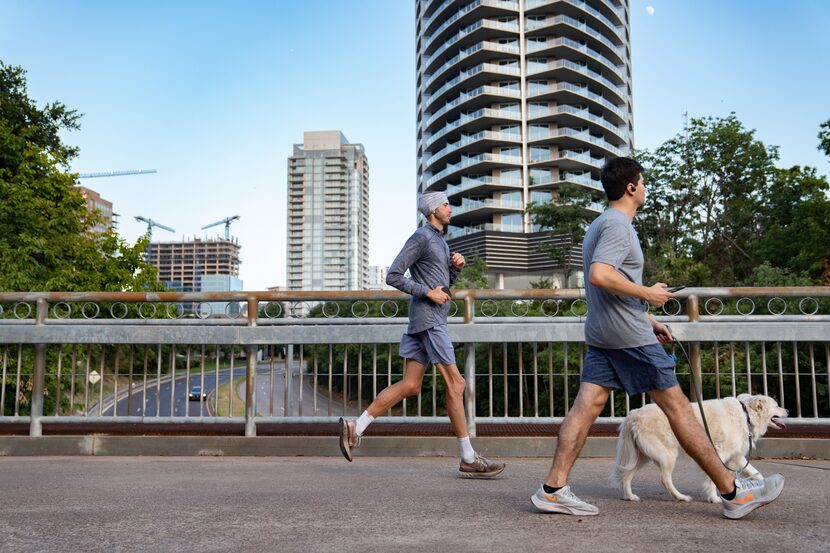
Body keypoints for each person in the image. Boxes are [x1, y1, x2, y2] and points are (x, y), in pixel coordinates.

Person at [530, 157, 784, 519]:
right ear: (632, 187)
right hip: (628, 338)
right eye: (643, 183)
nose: (645, 188)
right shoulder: (619, 225)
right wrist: (648, 294)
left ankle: (552, 490)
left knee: (585, 409)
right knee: (680, 410)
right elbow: (602, 276)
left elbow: (607, 288)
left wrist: (646, 316)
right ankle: (733, 493)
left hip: (605, 333)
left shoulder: (599, 224)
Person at [338, 191, 505, 478]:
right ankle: (467, 457)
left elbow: (441, 285)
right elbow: (394, 275)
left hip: (428, 319)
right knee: (456, 383)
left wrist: (455, 270)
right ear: (431, 210)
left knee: (411, 385)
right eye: (445, 204)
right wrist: (426, 292)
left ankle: (356, 427)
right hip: (430, 321)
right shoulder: (422, 237)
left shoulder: (440, 240)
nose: (449, 209)